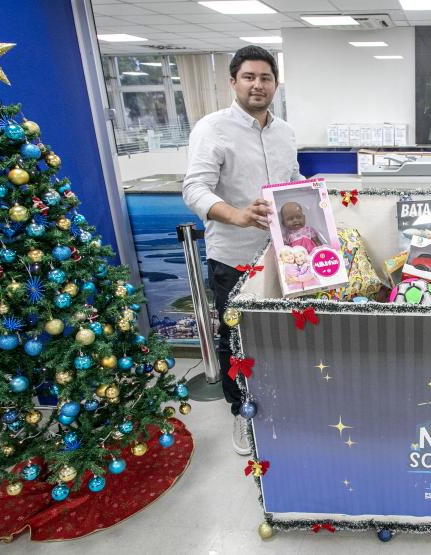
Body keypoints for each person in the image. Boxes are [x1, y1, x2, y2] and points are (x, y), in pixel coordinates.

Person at [183, 45, 302, 456]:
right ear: (233, 81)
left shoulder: (285, 131)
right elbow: (194, 188)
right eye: (249, 77)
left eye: (265, 78)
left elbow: (293, 180)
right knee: (236, 336)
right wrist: (235, 215)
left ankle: (282, 398)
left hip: (284, 256)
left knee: (280, 333)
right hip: (234, 256)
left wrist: (307, 198)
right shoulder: (212, 129)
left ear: (275, 84)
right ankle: (242, 410)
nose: (257, 85)